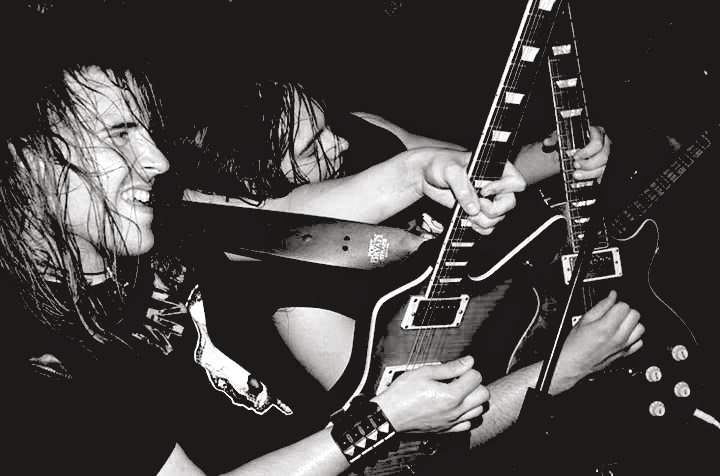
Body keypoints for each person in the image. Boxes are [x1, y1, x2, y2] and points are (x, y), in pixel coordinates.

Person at [4, 11, 500, 475]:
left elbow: (283, 217)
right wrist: (382, 421)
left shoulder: (151, 224)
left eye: (146, 132)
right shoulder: (38, 368)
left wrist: (420, 171)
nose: (157, 160)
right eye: (119, 134)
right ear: (26, 160)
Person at [164, 80, 643, 475]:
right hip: (520, 390)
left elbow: (479, 170)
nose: (340, 142)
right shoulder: (297, 311)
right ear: (259, 185)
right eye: (312, 148)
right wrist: (566, 367)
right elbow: (424, 435)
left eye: (326, 123)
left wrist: (561, 153)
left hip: (540, 307)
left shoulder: (358, 130)